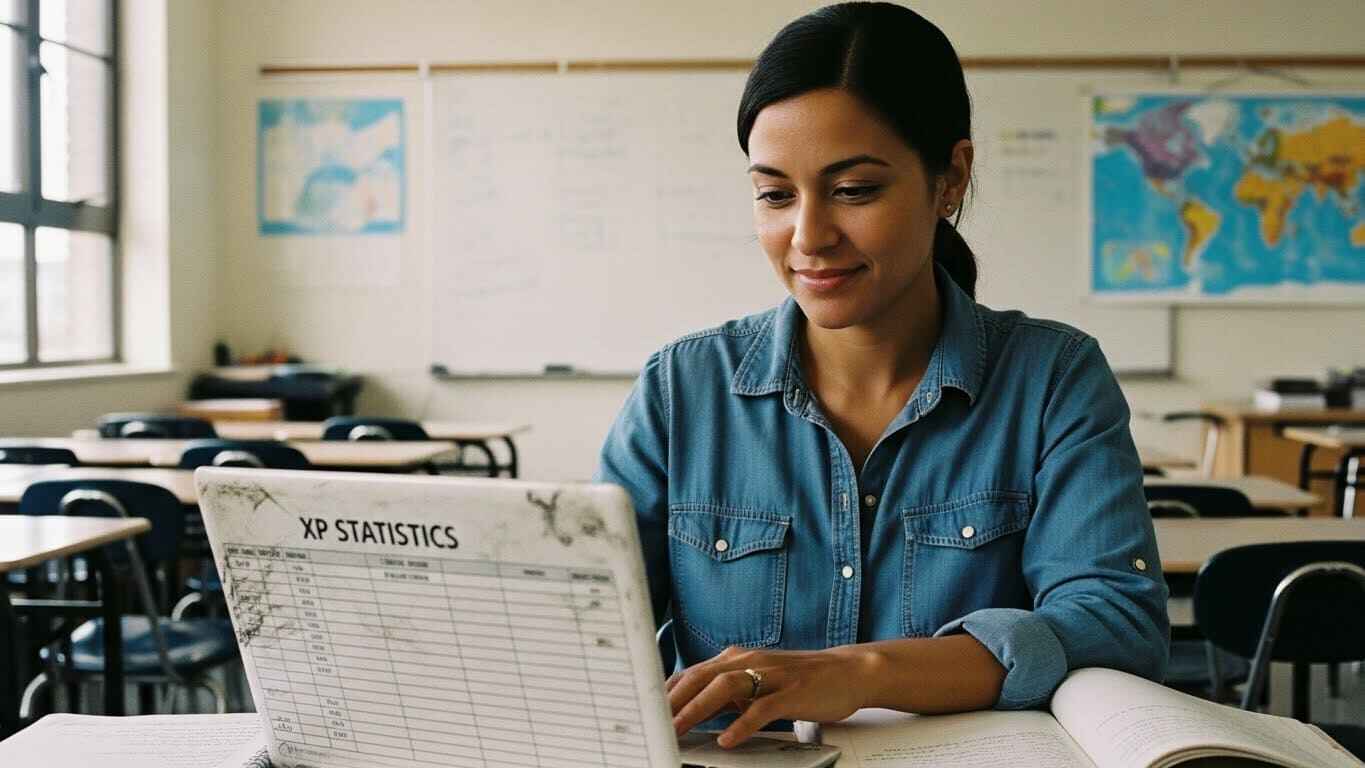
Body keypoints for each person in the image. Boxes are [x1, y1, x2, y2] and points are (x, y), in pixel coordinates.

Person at [596, 1, 1168, 749]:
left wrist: (862, 673)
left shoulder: (1052, 378)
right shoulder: (681, 390)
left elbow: (1114, 624)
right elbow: (586, 628)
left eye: (854, 190)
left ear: (949, 178)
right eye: (774, 194)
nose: (807, 236)